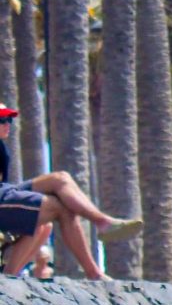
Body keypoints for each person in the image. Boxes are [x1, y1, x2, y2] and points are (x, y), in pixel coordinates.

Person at [0, 103, 139, 281]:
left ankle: (102, 221)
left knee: (61, 178)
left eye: (9, 119)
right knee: (57, 209)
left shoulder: (2, 148)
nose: (7, 124)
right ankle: (93, 272)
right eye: (2, 120)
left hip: (5, 191)